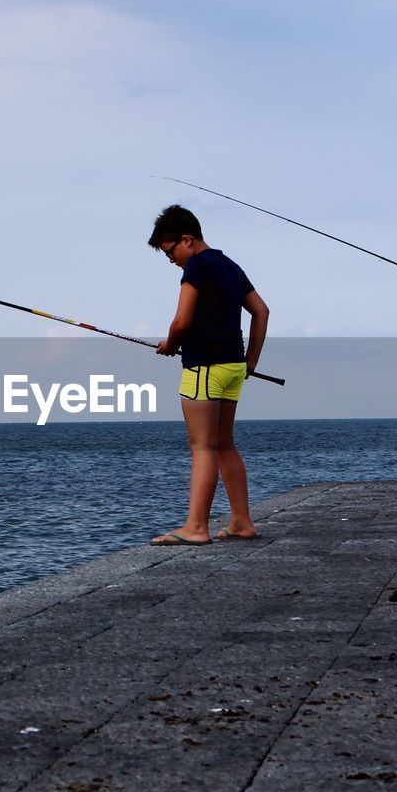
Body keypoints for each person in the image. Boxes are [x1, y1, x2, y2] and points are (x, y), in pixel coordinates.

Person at [147, 204, 269, 545]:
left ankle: (195, 528)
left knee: (202, 447)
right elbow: (261, 311)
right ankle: (242, 522)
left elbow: (182, 322)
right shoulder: (229, 265)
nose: (171, 260)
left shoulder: (197, 267)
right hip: (232, 367)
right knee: (225, 444)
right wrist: (251, 361)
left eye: (170, 252)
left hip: (205, 367)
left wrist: (171, 344)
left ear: (186, 239)